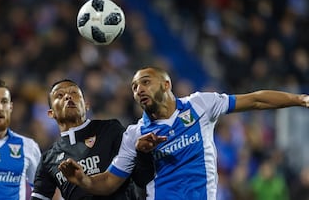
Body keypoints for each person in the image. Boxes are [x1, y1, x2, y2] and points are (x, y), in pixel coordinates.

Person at [58, 66, 309, 200]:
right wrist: (82, 179)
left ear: (166, 84)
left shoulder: (201, 104)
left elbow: (255, 100)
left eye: (145, 81)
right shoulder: (135, 134)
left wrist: (299, 99)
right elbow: (110, 181)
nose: (138, 89)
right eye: (134, 87)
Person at [31, 79, 152, 200]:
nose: (68, 96)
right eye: (60, 95)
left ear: (86, 105)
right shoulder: (48, 159)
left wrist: (143, 154)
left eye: (74, 93)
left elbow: (142, 178)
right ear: (51, 113)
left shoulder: (110, 130)